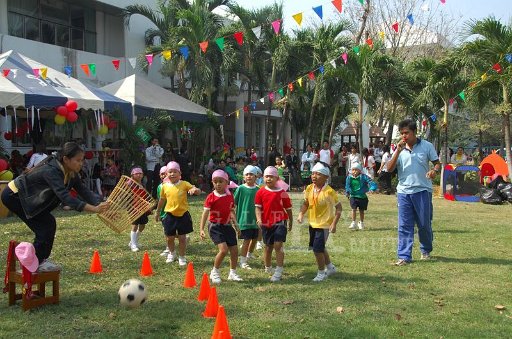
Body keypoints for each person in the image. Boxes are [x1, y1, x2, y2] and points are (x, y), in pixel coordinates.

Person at [1, 142, 110, 271]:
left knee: (47, 224)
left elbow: (83, 191)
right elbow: (66, 198)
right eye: (78, 160)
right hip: (14, 195)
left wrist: (100, 203)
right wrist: (94, 209)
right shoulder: (51, 171)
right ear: (66, 159)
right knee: (46, 225)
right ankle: (31, 257)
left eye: (82, 160)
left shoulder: (71, 173)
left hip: (26, 197)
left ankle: (37, 259)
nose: (81, 163)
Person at [386, 119, 440, 266]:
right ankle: (404, 256)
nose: (404, 136)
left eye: (407, 133)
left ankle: (426, 249)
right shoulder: (398, 149)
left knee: (424, 224)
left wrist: (434, 171)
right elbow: (389, 169)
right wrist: (397, 151)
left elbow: (437, 163)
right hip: (403, 192)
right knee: (404, 225)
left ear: (414, 132)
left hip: (422, 190)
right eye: (402, 133)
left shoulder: (426, 146)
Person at [297, 162, 342, 282]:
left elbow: (339, 208)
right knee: (319, 248)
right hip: (312, 223)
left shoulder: (329, 192)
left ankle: (321, 273)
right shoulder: (309, 188)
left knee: (317, 249)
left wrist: (334, 224)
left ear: (326, 177)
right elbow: (306, 203)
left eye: (318, 174)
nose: (314, 176)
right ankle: (330, 267)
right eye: (313, 173)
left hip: (324, 225)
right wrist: (301, 214)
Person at [155, 161, 201, 267]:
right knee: (169, 238)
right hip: (169, 215)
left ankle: (182, 256)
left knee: (182, 238)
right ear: (166, 174)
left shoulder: (184, 184)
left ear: (180, 174)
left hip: (183, 215)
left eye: (175, 171)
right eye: (170, 172)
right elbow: (161, 200)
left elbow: (196, 190)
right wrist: (157, 212)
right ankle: (172, 253)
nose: (172, 174)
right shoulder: (165, 187)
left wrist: (195, 190)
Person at [200, 170, 242, 284]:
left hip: (227, 226)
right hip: (215, 226)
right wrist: (202, 229)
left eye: (220, 181)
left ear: (226, 182)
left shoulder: (230, 196)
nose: (218, 184)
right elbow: (205, 214)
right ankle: (215, 272)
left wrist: (236, 226)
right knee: (223, 250)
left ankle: (232, 273)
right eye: (215, 182)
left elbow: (231, 211)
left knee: (234, 250)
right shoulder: (211, 197)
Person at [255, 166, 293, 282]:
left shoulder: (282, 193)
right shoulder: (260, 192)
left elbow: (288, 208)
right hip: (266, 224)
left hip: (280, 221)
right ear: (263, 178)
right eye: (266, 176)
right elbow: (257, 208)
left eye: (271, 176)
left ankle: (279, 269)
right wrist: (259, 219)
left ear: (277, 178)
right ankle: (268, 267)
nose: (269, 179)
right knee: (268, 246)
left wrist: (290, 221)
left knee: (278, 245)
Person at [233, 165, 260, 270]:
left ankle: (249, 253)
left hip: (255, 219)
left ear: (256, 177)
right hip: (244, 219)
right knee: (247, 240)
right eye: (247, 174)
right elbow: (233, 203)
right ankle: (242, 261)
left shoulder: (258, 189)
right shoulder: (240, 188)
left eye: (251, 174)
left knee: (255, 238)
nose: (249, 176)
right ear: (244, 177)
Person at [127, 167, 152, 252]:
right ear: (132, 175)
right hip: (133, 208)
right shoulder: (130, 184)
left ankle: (133, 241)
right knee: (135, 225)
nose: (139, 175)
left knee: (143, 224)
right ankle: (133, 245)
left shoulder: (143, 184)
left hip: (142, 208)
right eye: (136, 173)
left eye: (140, 173)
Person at [345, 163, 376, 230]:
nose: (354, 171)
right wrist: (347, 192)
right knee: (353, 209)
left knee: (361, 211)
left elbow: (371, 182)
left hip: (362, 197)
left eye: (356, 170)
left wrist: (372, 188)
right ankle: (353, 222)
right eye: (353, 170)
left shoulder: (364, 177)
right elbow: (347, 186)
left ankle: (361, 223)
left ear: (360, 170)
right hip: (353, 196)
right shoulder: (349, 178)